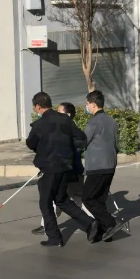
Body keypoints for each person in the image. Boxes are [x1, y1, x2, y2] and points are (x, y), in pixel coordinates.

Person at [26, 92, 98, 247]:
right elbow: (81, 138)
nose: (34, 109)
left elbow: (31, 143)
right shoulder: (65, 120)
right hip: (66, 166)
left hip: (50, 168)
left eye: (34, 106)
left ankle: (54, 237)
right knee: (61, 200)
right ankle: (90, 223)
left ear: (38, 106)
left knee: (45, 202)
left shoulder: (39, 125)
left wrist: (44, 147)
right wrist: (68, 149)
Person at [83, 90, 125, 243]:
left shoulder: (93, 122)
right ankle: (105, 232)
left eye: (87, 104)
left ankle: (111, 223)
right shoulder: (111, 121)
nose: (87, 107)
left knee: (88, 198)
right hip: (110, 164)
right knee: (100, 200)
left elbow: (83, 141)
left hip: (97, 166)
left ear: (93, 105)